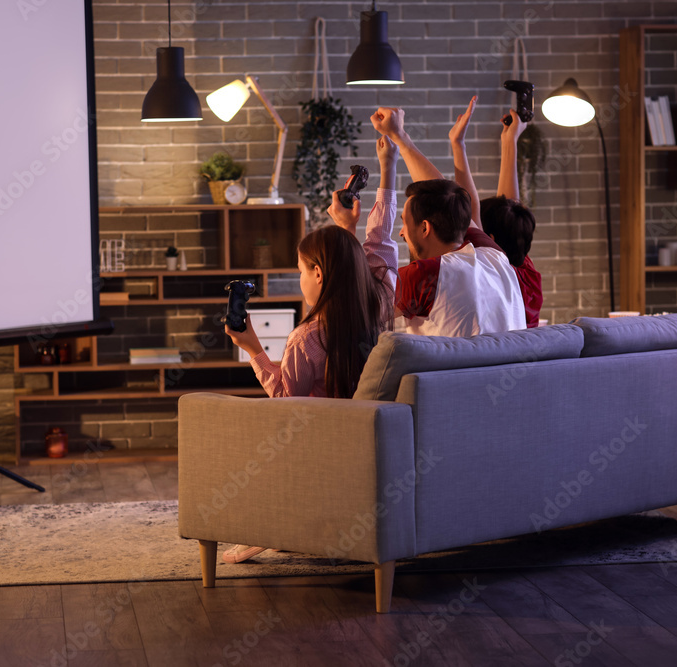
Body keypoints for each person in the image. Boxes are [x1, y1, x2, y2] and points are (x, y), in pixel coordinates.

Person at [220, 137, 399, 563]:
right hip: (365, 450)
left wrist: (253, 350)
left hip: (317, 451)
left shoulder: (308, 336)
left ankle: (272, 523)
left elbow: (285, 399)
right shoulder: (380, 307)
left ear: (317, 273)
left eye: (302, 272)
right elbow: (379, 253)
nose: (300, 280)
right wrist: (380, 178)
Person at [368, 105, 526, 336]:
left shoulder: (423, 274)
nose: (401, 233)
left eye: (404, 223)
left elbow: (358, 314)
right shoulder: (494, 258)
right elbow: (448, 200)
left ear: (424, 228)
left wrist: (347, 227)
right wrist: (400, 137)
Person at [450, 100, 543, 328]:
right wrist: (509, 141)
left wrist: (458, 144)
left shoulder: (494, 272)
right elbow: (509, 206)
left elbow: (469, 204)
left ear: (490, 239)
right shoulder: (526, 271)